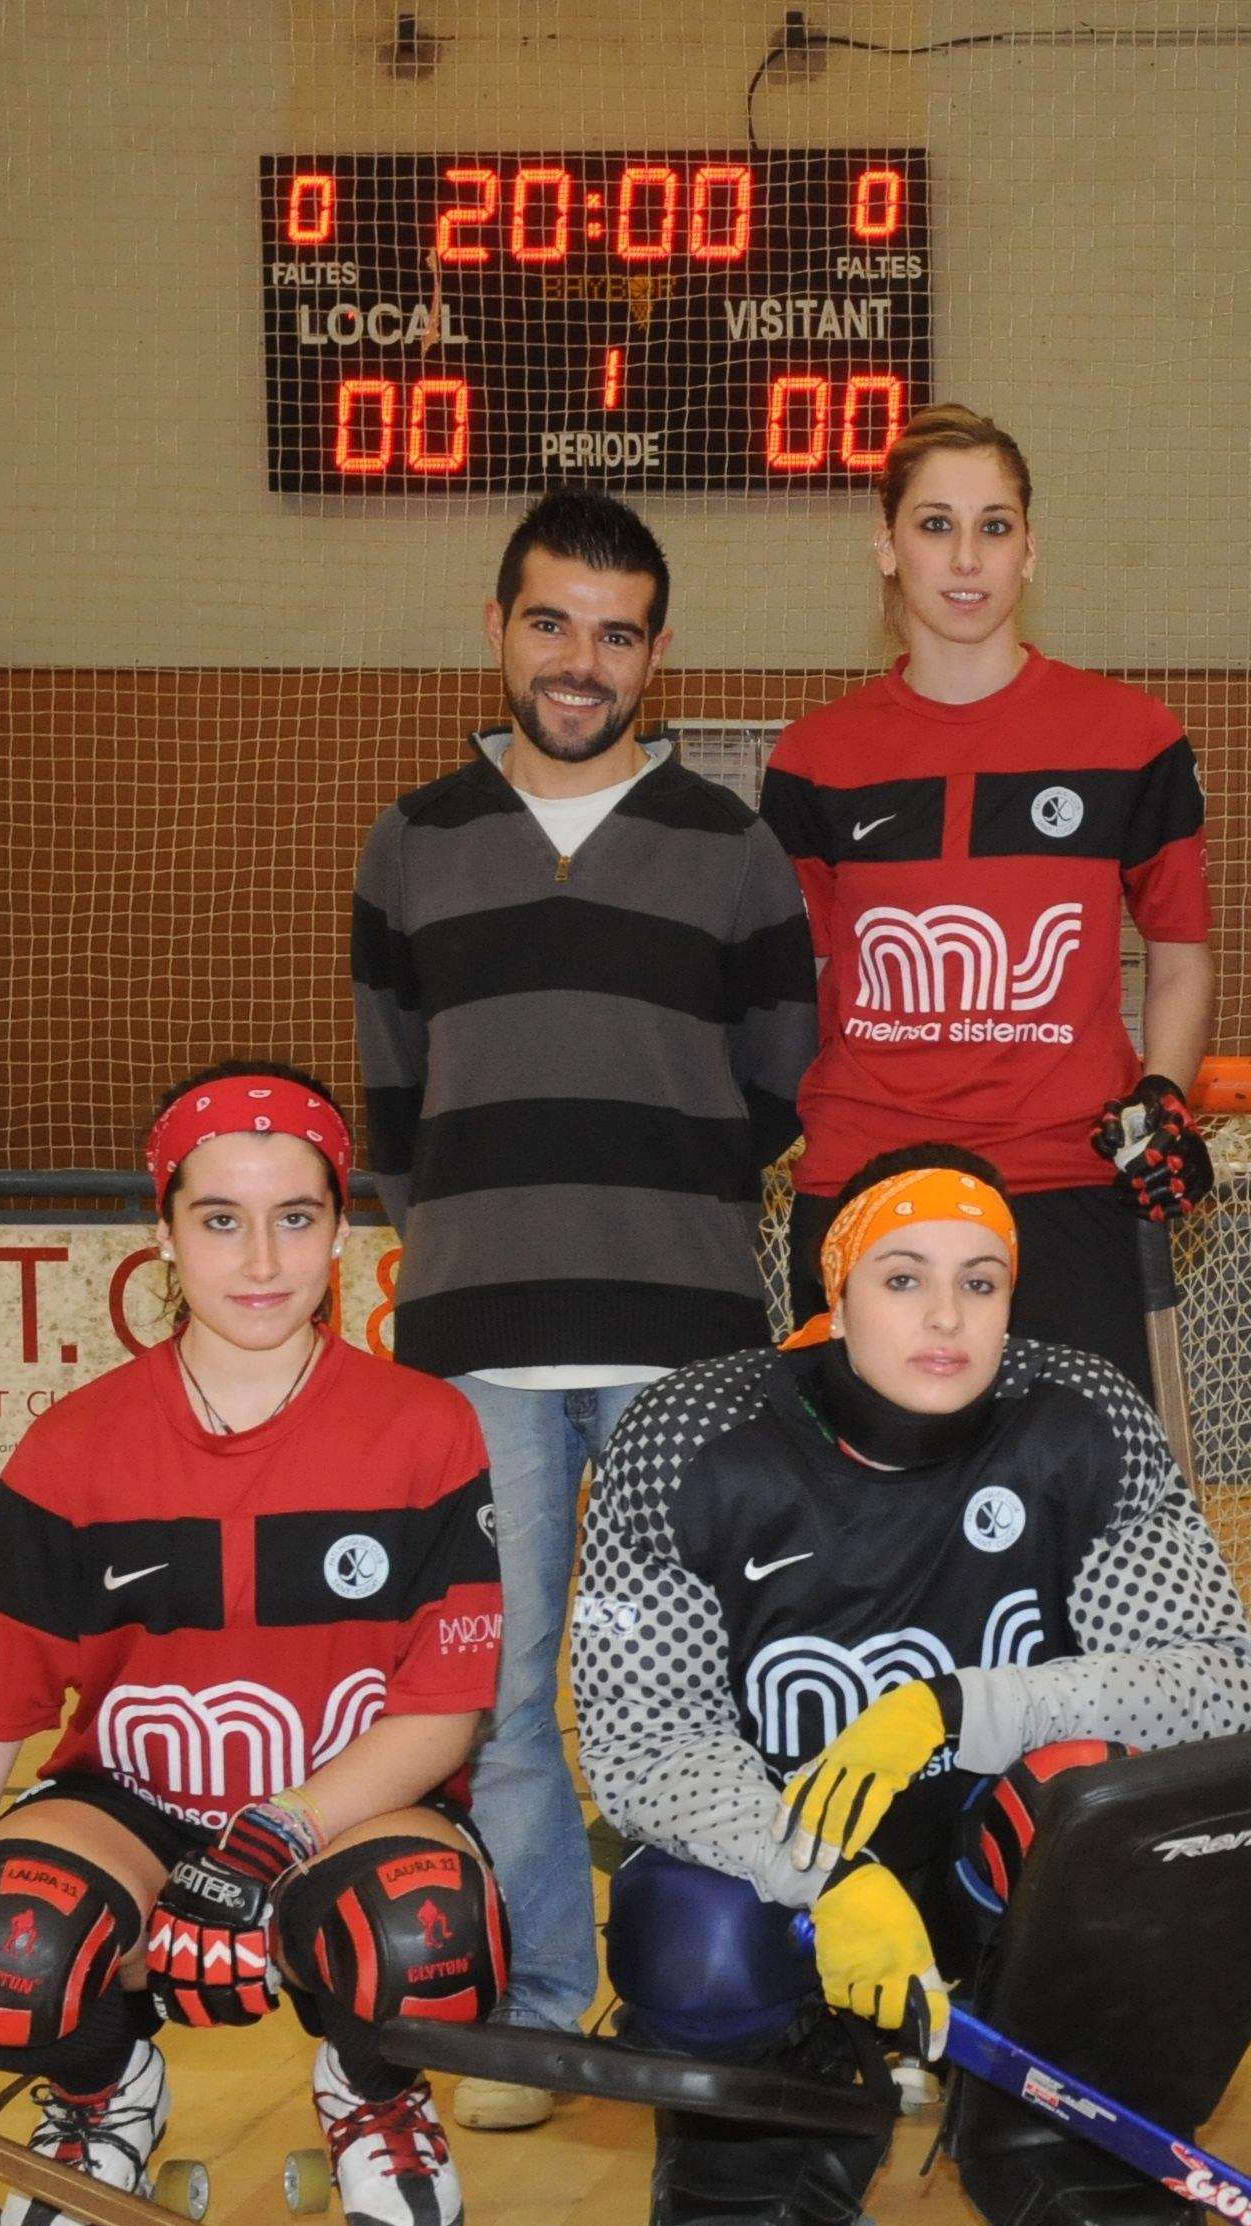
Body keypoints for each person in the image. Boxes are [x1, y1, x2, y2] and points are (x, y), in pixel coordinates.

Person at [0, 1065, 512, 2226]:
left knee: (422, 1925)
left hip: (337, 1817)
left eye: (295, 1217)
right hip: (137, 1812)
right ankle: (103, 2094)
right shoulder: (71, 1448)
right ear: (165, 1233)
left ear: (341, 1234)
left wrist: (270, 1837)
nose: (262, 1260)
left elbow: (442, 1709)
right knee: (1, 1935)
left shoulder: (426, 1429)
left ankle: (374, 2090)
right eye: (221, 1219)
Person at [568, 1144, 1251, 2226]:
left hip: (998, 1874)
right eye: (903, 1279)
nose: (947, 1316)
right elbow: (644, 1745)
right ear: (836, 1294)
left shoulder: (1082, 1414)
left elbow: (1216, 1682)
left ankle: (1036, 2110)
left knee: (1105, 1798)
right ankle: (784, 2097)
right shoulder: (686, 1434)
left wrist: (959, 1706)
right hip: (783, 1885)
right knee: (689, 1932)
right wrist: (825, 1875)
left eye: (979, 1282)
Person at [353, 484, 820, 2125]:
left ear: (656, 653)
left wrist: (653, 1200)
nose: (579, 660)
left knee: (705, 1682)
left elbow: (777, 1079)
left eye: (615, 634)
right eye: (550, 622)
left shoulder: (730, 847)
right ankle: (543, 2003)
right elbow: (393, 1096)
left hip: (682, 1337)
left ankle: (719, 1992)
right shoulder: (413, 840)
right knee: (496, 1694)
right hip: (479, 1343)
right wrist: (491, 1234)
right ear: (497, 627)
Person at [761, 403, 1217, 1381]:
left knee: (1074, 1479)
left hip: (1064, 1186)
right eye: (936, 525)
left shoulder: (1133, 738)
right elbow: (800, 979)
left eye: (994, 526)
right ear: (887, 546)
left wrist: (1163, 1094)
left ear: (1030, 551)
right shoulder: (814, 758)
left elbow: (1181, 955)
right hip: (866, 1185)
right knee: (867, 1482)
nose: (966, 558)